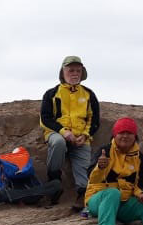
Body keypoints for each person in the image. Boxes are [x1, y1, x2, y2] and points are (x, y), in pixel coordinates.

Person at [40, 55, 101, 211]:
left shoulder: (88, 94)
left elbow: (94, 119)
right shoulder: (51, 94)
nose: (74, 73)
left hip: (81, 137)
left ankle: (82, 194)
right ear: (63, 72)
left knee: (84, 163)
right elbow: (46, 118)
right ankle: (54, 183)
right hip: (57, 134)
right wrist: (64, 132)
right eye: (71, 70)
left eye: (78, 71)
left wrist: (85, 135)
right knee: (58, 143)